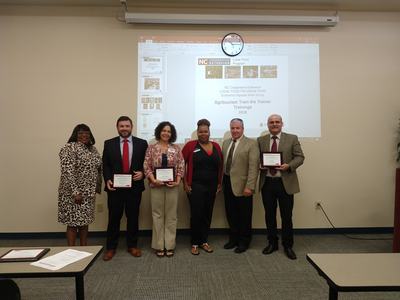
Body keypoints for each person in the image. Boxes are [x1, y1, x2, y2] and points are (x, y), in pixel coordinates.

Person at [257, 114, 305, 260]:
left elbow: (300, 157)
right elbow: (258, 158)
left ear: (282, 124)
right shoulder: (261, 140)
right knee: (269, 215)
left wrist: (289, 166)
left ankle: (288, 245)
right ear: (267, 125)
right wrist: (259, 164)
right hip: (268, 183)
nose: (274, 124)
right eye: (271, 122)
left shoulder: (292, 138)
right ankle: (272, 243)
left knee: (286, 216)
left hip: (285, 183)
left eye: (277, 122)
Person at [102, 116, 148, 261]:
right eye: (121, 126)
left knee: (133, 218)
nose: (124, 128)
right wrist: (108, 179)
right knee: (114, 218)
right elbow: (106, 165)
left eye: (127, 126)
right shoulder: (109, 143)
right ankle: (111, 248)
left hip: (134, 188)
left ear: (131, 127)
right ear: (117, 127)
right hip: (115, 188)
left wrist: (143, 173)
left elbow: (147, 164)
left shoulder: (142, 143)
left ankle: (132, 246)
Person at [182, 119, 223, 255]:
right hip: (195, 186)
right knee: (196, 214)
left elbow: (220, 166)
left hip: (212, 186)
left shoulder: (216, 146)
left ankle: (204, 241)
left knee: (207, 213)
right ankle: (194, 243)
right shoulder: (190, 146)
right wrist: (185, 183)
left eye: (205, 131)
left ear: (209, 132)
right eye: (200, 131)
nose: (203, 134)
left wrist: (219, 183)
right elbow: (181, 165)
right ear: (197, 132)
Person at [144, 121, 184, 257]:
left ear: (171, 134)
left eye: (169, 131)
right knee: (157, 215)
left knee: (171, 216)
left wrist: (178, 181)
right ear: (159, 132)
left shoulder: (177, 148)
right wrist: (153, 180)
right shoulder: (151, 148)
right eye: (164, 130)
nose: (166, 133)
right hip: (156, 186)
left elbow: (181, 166)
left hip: (172, 187)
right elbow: (146, 166)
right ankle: (159, 245)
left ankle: (170, 245)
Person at [58, 124, 102, 246]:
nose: (84, 136)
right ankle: (71, 250)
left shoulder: (92, 149)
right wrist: (75, 192)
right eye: (81, 133)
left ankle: (84, 249)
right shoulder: (69, 147)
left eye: (87, 133)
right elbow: (67, 171)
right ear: (75, 135)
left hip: (88, 193)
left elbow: (98, 167)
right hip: (74, 193)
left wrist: (96, 188)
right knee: (72, 223)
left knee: (84, 222)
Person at [222, 118, 259, 253]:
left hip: (244, 186)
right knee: (231, 213)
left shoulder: (251, 144)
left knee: (244, 215)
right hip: (227, 183)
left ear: (243, 129)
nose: (235, 130)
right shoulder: (226, 143)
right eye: (233, 128)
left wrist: (250, 186)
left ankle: (244, 241)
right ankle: (234, 239)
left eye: (238, 128)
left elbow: (253, 167)